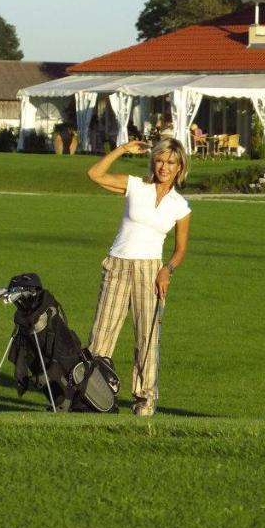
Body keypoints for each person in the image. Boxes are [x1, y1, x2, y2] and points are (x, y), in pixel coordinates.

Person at [85, 131, 192, 415]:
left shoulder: (180, 206)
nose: (164, 167)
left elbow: (180, 249)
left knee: (147, 337)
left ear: (180, 167)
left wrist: (166, 271)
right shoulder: (135, 186)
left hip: (151, 270)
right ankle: (91, 394)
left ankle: (145, 400)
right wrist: (122, 148)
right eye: (159, 160)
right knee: (101, 334)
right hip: (118, 265)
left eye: (171, 162)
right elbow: (94, 174)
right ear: (153, 162)